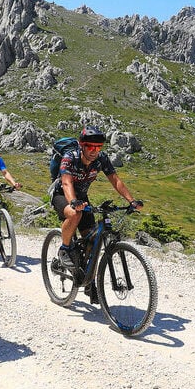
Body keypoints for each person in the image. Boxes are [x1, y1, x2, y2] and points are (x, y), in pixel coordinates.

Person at [51, 125, 143, 303]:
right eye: (90, 147)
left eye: (98, 147)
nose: (94, 151)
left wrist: (131, 201)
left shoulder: (101, 159)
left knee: (92, 240)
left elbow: (115, 180)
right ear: (81, 145)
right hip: (62, 194)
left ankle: (88, 281)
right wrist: (73, 202)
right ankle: (65, 249)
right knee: (74, 215)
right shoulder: (70, 157)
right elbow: (67, 182)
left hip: (82, 198)